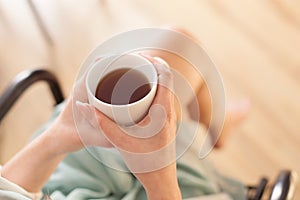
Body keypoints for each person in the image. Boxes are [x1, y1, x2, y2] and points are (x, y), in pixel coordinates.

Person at [0, 28, 250, 200]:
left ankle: (217, 126)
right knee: (181, 46)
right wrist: (161, 181)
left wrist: (58, 137)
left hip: (54, 183)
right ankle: (216, 129)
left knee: (178, 44)